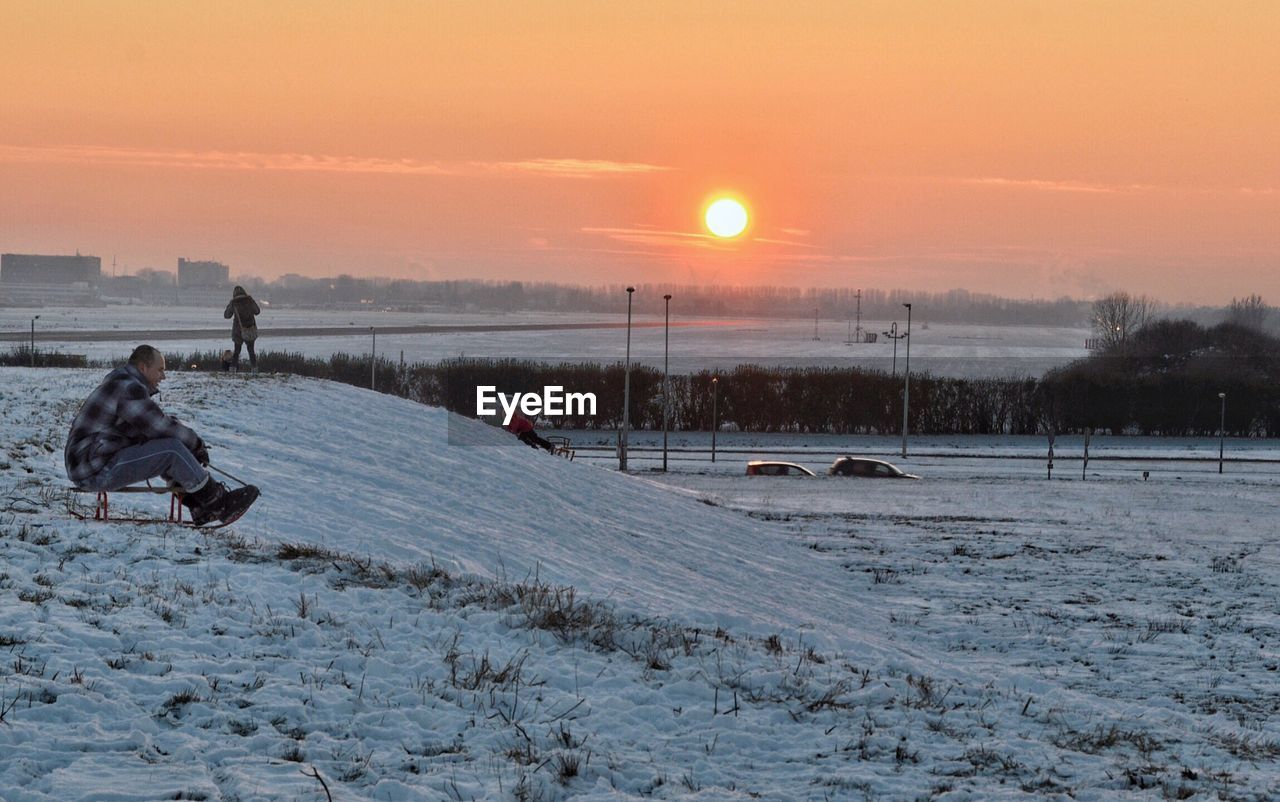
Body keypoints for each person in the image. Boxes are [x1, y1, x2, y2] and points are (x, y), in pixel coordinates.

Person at [64, 344, 259, 526]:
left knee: (166, 445)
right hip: (93, 469)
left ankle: (200, 507)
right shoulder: (128, 388)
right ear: (143, 368)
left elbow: (152, 430)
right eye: (160, 369)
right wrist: (196, 444)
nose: (163, 376)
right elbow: (160, 427)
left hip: (92, 463)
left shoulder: (122, 383)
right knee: (171, 451)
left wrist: (189, 449)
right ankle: (218, 503)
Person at [224, 285, 262, 373]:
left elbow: (227, 315)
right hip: (250, 329)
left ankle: (233, 369)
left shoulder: (234, 303)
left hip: (238, 330)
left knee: (237, 351)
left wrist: (230, 305)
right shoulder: (249, 300)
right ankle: (254, 369)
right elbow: (257, 311)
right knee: (251, 350)